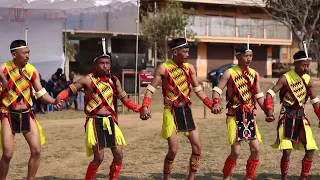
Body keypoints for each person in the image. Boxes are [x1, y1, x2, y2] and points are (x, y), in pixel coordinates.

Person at [56, 38, 142, 180]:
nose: (105, 66)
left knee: (119, 154)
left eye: (107, 63)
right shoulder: (87, 80)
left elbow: (125, 100)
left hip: (111, 122)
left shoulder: (114, 80)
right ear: (95, 64)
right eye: (102, 63)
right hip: (95, 122)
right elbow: (69, 90)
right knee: (99, 157)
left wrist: (140, 109)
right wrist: (60, 98)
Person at [140, 38, 213, 180]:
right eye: (184, 52)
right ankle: (166, 177)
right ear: (175, 52)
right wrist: (144, 106)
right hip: (171, 112)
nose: (187, 55)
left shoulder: (189, 68)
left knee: (197, 147)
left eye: (188, 52)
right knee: (173, 150)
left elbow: (198, 89)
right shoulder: (163, 68)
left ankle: (191, 178)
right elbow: (150, 89)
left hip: (186, 111)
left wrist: (211, 105)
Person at [0, 34, 63, 179]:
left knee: (36, 151)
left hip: (27, 114)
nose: (28, 55)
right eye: (25, 53)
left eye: (28, 52)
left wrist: (54, 101)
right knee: (8, 154)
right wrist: (3, 83)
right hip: (8, 114)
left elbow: (40, 93)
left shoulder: (31, 70)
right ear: (14, 54)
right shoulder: (3, 69)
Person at [211, 44, 265, 180]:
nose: (249, 59)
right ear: (238, 56)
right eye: (246, 55)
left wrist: (268, 111)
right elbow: (217, 90)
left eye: (250, 56)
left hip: (249, 115)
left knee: (256, 149)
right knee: (235, 151)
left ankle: (249, 177)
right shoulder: (230, 73)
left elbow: (259, 96)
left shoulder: (254, 74)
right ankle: (226, 176)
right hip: (234, 115)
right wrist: (216, 102)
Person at [264, 50, 319, 180]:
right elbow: (270, 93)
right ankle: (284, 177)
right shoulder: (285, 77)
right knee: (287, 150)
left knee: (310, 149)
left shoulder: (308, 80)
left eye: (307, 65)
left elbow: (315, 100)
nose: (306, 68)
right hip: (286, 116)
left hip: (301, 117)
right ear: (295, 63)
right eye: (303, 65)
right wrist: (269, 110)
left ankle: (303, 178)